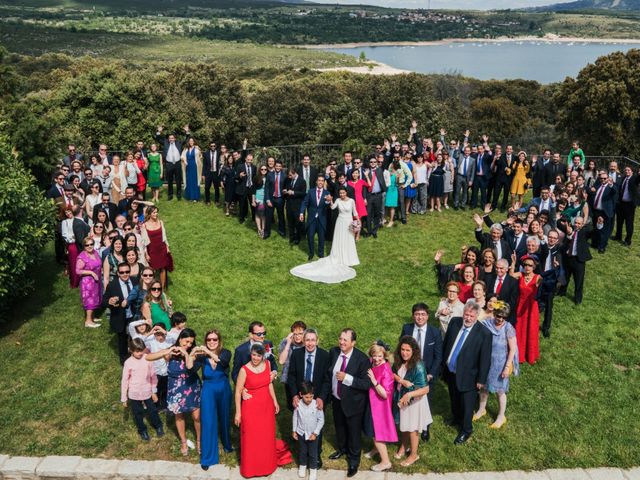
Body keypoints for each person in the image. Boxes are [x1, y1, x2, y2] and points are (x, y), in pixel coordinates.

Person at [442, 301, 492, 445]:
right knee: (453, 397)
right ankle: (456, 418)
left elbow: (485, 359)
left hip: (469, 376)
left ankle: (466, 430)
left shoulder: (484, 334)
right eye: (466, 314)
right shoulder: (455, 323)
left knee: (467, 404)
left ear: (477, 316)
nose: (468, 318)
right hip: (451, 371)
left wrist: (481, 379)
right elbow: (447, 344)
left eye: (471, 316)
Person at [148, 328, 202, 456]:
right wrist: (168, 351)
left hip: (191, 386)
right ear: (180, 339)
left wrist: (185, 353)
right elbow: (148, 357)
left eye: (190, 342)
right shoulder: (170, 352)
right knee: (179, 416)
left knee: (196, 416)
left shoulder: (194, 352)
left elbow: (190, 366)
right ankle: (183, 441)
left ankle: (199, 440)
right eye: (186, 341)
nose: (188, 344)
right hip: (175, 388)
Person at [291, 186, 360, 284]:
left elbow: (355, 212)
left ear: (346, 193)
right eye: (340, 193)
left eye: (343, 193)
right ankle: (338, 256)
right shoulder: (338, 200)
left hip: (349, 222)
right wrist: (330, 200)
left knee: (349, 239)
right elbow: (332, 208)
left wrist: (358, 221)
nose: (342, 195)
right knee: (339, 239)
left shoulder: (352, 201)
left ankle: (348, 257)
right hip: (340, 222)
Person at [327, 328, 371, 478]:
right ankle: (342, 449)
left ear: (353, 342)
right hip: (337, 399)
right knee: (339, 427)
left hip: (354, 403)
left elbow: (366, 384)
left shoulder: (362, 359)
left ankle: (353, 461)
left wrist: (347, 378)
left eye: (345, 340)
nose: (341, 342)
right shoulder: (333, 352)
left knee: (353, 433)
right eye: (340, 338)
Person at [287, 328, 331, 468]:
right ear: (303, 341)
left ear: (317, 341)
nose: (310, 343)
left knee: (316, 423)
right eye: (307, 340)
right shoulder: (296, 354)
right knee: (300, 421)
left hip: (316, 396)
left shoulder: (324, 356)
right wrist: (294, 395)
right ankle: (302, 453)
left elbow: (327, 380)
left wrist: (322, 398)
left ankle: (316, 454)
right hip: (300, 395)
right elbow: (291, 376)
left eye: (313, 340)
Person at [235, 343, 279, 478]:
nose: (255, 358)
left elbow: (269, 384)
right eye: (253, 355)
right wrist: (238, 412)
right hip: (251, 408)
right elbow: (237, 392)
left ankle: (267, 466)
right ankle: (251, 469)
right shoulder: (244, 370)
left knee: (266, 437)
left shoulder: (268, 365)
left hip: (266, 406)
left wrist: (275, 401)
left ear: (262, 356)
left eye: (258, 355)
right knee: (251, 438)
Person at [399, 302, 442, 441]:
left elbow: (438, 356)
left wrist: (430, 374)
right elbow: (401, 349)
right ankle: (408, 425)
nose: (420, 317)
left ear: (428, 316)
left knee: (425, 401)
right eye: (417, 314)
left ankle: (425, 428)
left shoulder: (435, 332)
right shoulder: (407, 328)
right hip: (409, 371)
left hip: (427, 374)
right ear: (413, 316)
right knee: (409, 399)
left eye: (423, 314)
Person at [474, 301, 518, 429]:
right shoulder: (487, 324)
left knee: (500, 391)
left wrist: (507, 367)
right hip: (486, 362)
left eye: (503, 317)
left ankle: (501, 416)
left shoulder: (508, 328)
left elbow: (513, 349)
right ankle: (482, 409)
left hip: (500, 364)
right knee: (483, 387)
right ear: (494, 314)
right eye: (498, 316)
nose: (500, 319)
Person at [193, 329, 233, 469]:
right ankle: (207, 457)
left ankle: (227, 445)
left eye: (214, 339)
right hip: (208, 389)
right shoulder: (201, 357)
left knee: (225, 417)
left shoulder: (226, 352)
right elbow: (191, 370)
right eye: (209, 339)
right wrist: (192, 354)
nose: (211, 342)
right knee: (208, 421)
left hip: (223, 388)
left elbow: (222, 363)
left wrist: (209, 353)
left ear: (219, 340)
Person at [392, 336, 432, 467]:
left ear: (413, 351)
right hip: (402, 398)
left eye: (408, 350)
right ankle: (404, 446)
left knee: (412, 428)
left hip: (415, 401)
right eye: (402, 349)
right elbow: (393, 374)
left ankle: (414, 454)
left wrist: (409, 394)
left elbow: (426, 388)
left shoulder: (418, 366)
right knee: (403, 424)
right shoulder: (398, 361)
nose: (404, 353)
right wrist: (402, 381)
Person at [121, 338, 165, 441]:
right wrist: (124, 397)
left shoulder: (147, 359)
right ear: (130, 350)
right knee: (137, 413)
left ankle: (158, 426)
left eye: (141, 350)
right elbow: (125, 380)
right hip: (134, 393)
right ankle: (142, 430)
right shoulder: (128, 363)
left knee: (153, 410)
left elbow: (153, 376)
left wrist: (154, 391)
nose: (140, 353)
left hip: (147, 392)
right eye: (137, 351)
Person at [364, 342, 396, 471]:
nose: (376, 359)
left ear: (385, 355)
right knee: (372, 431)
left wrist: (373, 381)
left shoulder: (386, 371)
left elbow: (385, 394)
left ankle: (385, 462)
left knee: (377, 433)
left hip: (380, 407)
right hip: (372, 402)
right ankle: (375, 449)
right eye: (374, 355)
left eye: (379, 356)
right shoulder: (373, 362)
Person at [102, 262, 136, 364]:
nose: (125, 274)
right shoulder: (112, 286)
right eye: (122, 272)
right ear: (118, 273)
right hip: (119, 316)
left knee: (135, 336)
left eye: (127, 271)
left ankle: (136, 355)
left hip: (134, 315)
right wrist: (109, 301)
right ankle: (124, 359)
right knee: (122, 338)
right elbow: (104, 300)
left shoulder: (135, 281)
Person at [292, 382, 325, 480]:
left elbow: (321, 420)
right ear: (301, 394)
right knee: (302, 451)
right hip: (301, 433)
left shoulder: (316, 405)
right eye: (306, 397)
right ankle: (302, 466)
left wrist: (315, 433)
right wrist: (294, 430)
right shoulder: (298, 405)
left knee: (313, 453)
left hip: (312, 434)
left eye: (311, 396)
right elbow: (295, 418)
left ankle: (313, 470)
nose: (309, 399)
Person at [558, 216, 592, 305]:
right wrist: (565, 224)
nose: (576, 225)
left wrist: (600, 224)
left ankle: (577, 298)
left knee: (578, 280)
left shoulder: (584, 232)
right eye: (575, 223)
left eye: (579, 223)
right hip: (568, 258)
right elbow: (558, 223)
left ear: (582, 224)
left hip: (578, 260)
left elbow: (594, 232)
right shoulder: (569, 228)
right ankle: (562, 291)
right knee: (565, 276)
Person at [156, 125, 190, 201]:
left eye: (172, 138)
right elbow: (158, 139)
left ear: (175, 138)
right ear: (168, 139)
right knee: (170, 180)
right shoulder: (165, 143)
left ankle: (178, 195)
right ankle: (170, 195)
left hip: (177, 163)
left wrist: (187, 131)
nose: (171, 139)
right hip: (169, 164)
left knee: (178, 180)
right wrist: (159, 131)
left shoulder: (179, 143)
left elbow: (186, 139)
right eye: (170, 138)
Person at [278, 321, 307, 410]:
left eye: (300, 334)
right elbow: (281, 361)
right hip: (290, 379)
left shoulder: (308, 343)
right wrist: (288, 343)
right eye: (295, 334)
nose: (297, 336)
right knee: (293, 405)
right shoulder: (286, 342)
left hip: (305, 379)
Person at [141, 206, 172, 290]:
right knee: (152, 270)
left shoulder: (160, 222)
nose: (156, 214)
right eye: (154, 212)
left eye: (156, 212)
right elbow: (144, 242)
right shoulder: (144, 225)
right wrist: (146, 254)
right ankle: (152, 288)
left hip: (161, 248)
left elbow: (164, 236)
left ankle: (161, 288)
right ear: (149, 214)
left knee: (162, 268)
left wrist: (167, 247)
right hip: (152, 249)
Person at [75, 238, 103, 328]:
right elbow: (78, 271)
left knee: (95, 298)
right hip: (87, 283)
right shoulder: (82, 257)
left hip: (96, 280)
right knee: (90, 300)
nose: (90, 246)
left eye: (91, 244)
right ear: (84, 246)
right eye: (87, 245)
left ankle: (92, 317)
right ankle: (88, 321)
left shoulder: (95, 252)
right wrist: (91, 272)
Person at [488, 259, 519, 325]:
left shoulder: (513, 282)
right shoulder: (490, 278)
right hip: (489, 314)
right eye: (496, 267)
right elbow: (486, 294)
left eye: (501, 268)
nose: (498, 270)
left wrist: (498, 305)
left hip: (505, 316)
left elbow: (513, 302)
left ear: (507, 269)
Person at [265, 160, 287, 239]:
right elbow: (266, 188)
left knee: (281, 216)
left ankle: (282, 231)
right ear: (274, 166)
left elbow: (286, 187)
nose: (278, 167)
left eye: (279, 166)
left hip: (280, 199)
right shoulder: (269, 175)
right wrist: (267, 200)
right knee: (268, 216)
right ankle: (267, 232)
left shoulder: (285, 175)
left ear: (281, 167)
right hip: (271, 199)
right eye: (276, 166)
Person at [284, 167, 307, 245]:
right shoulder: (288, 180)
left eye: (290, 175)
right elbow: (287, 188)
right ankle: (291, 237)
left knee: (298, 223)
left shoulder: (302, 181)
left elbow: (303, 193)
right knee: (290, 222)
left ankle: (298, 237)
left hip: (298, 205)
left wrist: (293, 192)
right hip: (289, 205)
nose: (289, 177)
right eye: (288, 175)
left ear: (295, 173)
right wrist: (285, 191)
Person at [182, 136, 203, 202]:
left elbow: (200, 156)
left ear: (194, 142)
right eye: (190, 141)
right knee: (188, 181)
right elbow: (182, 156)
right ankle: (189, 196)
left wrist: (199, 150)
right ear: (188, 142)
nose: (191, 142)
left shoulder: (197, 149)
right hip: (188, 167)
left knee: (195, 181)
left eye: (192, 141)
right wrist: (184, 161)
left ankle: (195, 197)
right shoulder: (185, 149)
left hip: (195, 167)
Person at [202, 141, 222, 206]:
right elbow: (204, 164)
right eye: (211, 146)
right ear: (209, 146)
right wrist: (203, 174)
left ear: (215, 146)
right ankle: (207, 200)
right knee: (207, 187)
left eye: (214, 146)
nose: (213, 147)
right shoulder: (206, 153)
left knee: (216, 188)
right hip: (208, 173)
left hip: (216, 173)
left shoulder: (219, 153)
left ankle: (217, 200)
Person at [251, 165, 268, 238]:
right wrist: (253, 200)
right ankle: (259, 229)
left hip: (265, 198)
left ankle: (263, 229)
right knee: (258, 213)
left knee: (264, 214)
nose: (263, 170)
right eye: (262, 169)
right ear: (259, 170)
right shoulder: (256, 178)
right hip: (258, 198)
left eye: (265, 169)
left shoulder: (268, 177)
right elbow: (253, 190)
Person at [384, 160, 399, 226]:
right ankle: (384, 219)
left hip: (393, 190)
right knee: (386, 205)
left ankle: (391, 220)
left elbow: (397, 183)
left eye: (392, 164)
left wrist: (396, 177)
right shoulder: (388, 172)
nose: (390, 165)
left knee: (392, 206)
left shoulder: (397, 173)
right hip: (388, 189)